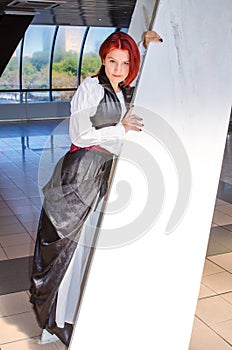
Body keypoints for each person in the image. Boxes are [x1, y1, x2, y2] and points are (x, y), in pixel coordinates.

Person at [30, 30, 162, 347]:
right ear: (103, 60)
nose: (117, 68)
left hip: (102, 175)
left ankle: (73, 315)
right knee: (67, 253)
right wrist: (121, 128)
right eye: (111, 60)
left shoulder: (121, 92)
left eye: (125, 62)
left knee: (87, 251)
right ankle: (55, 322)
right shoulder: (91, 87)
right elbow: (80, 133)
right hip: (79, 175)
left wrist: (148, 45)